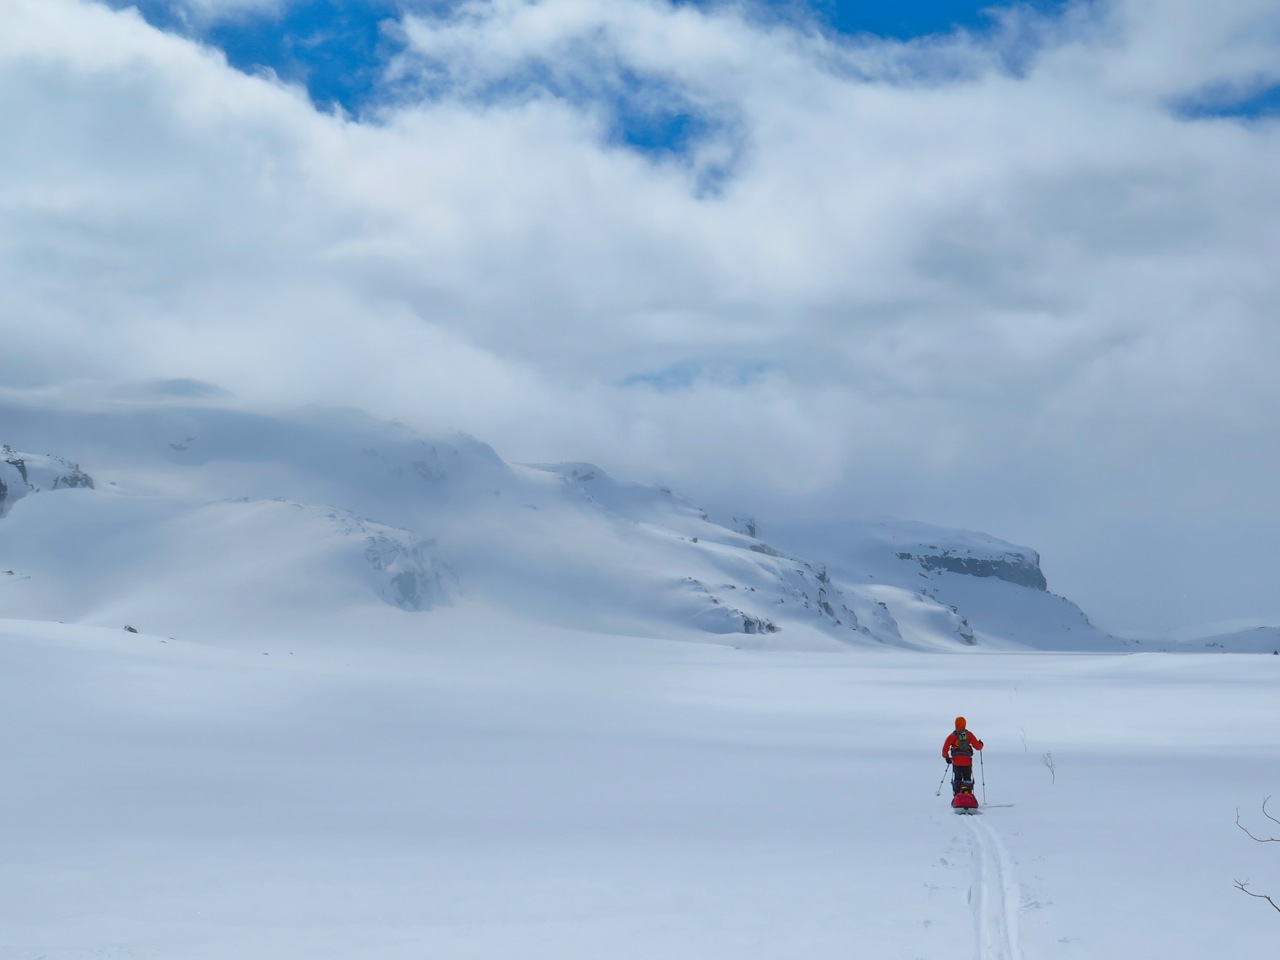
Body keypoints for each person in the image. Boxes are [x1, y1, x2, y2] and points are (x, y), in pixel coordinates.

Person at [942, 716, 983, 796]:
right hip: (967, 761)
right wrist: (981, 744)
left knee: (957, 779)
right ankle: (967, 795)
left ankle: (958, 795)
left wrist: (947, 758)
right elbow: (978, 747)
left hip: (956, 761)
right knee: (967, 778)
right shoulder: (969, 734)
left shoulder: (952, 736)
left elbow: (944, 749)